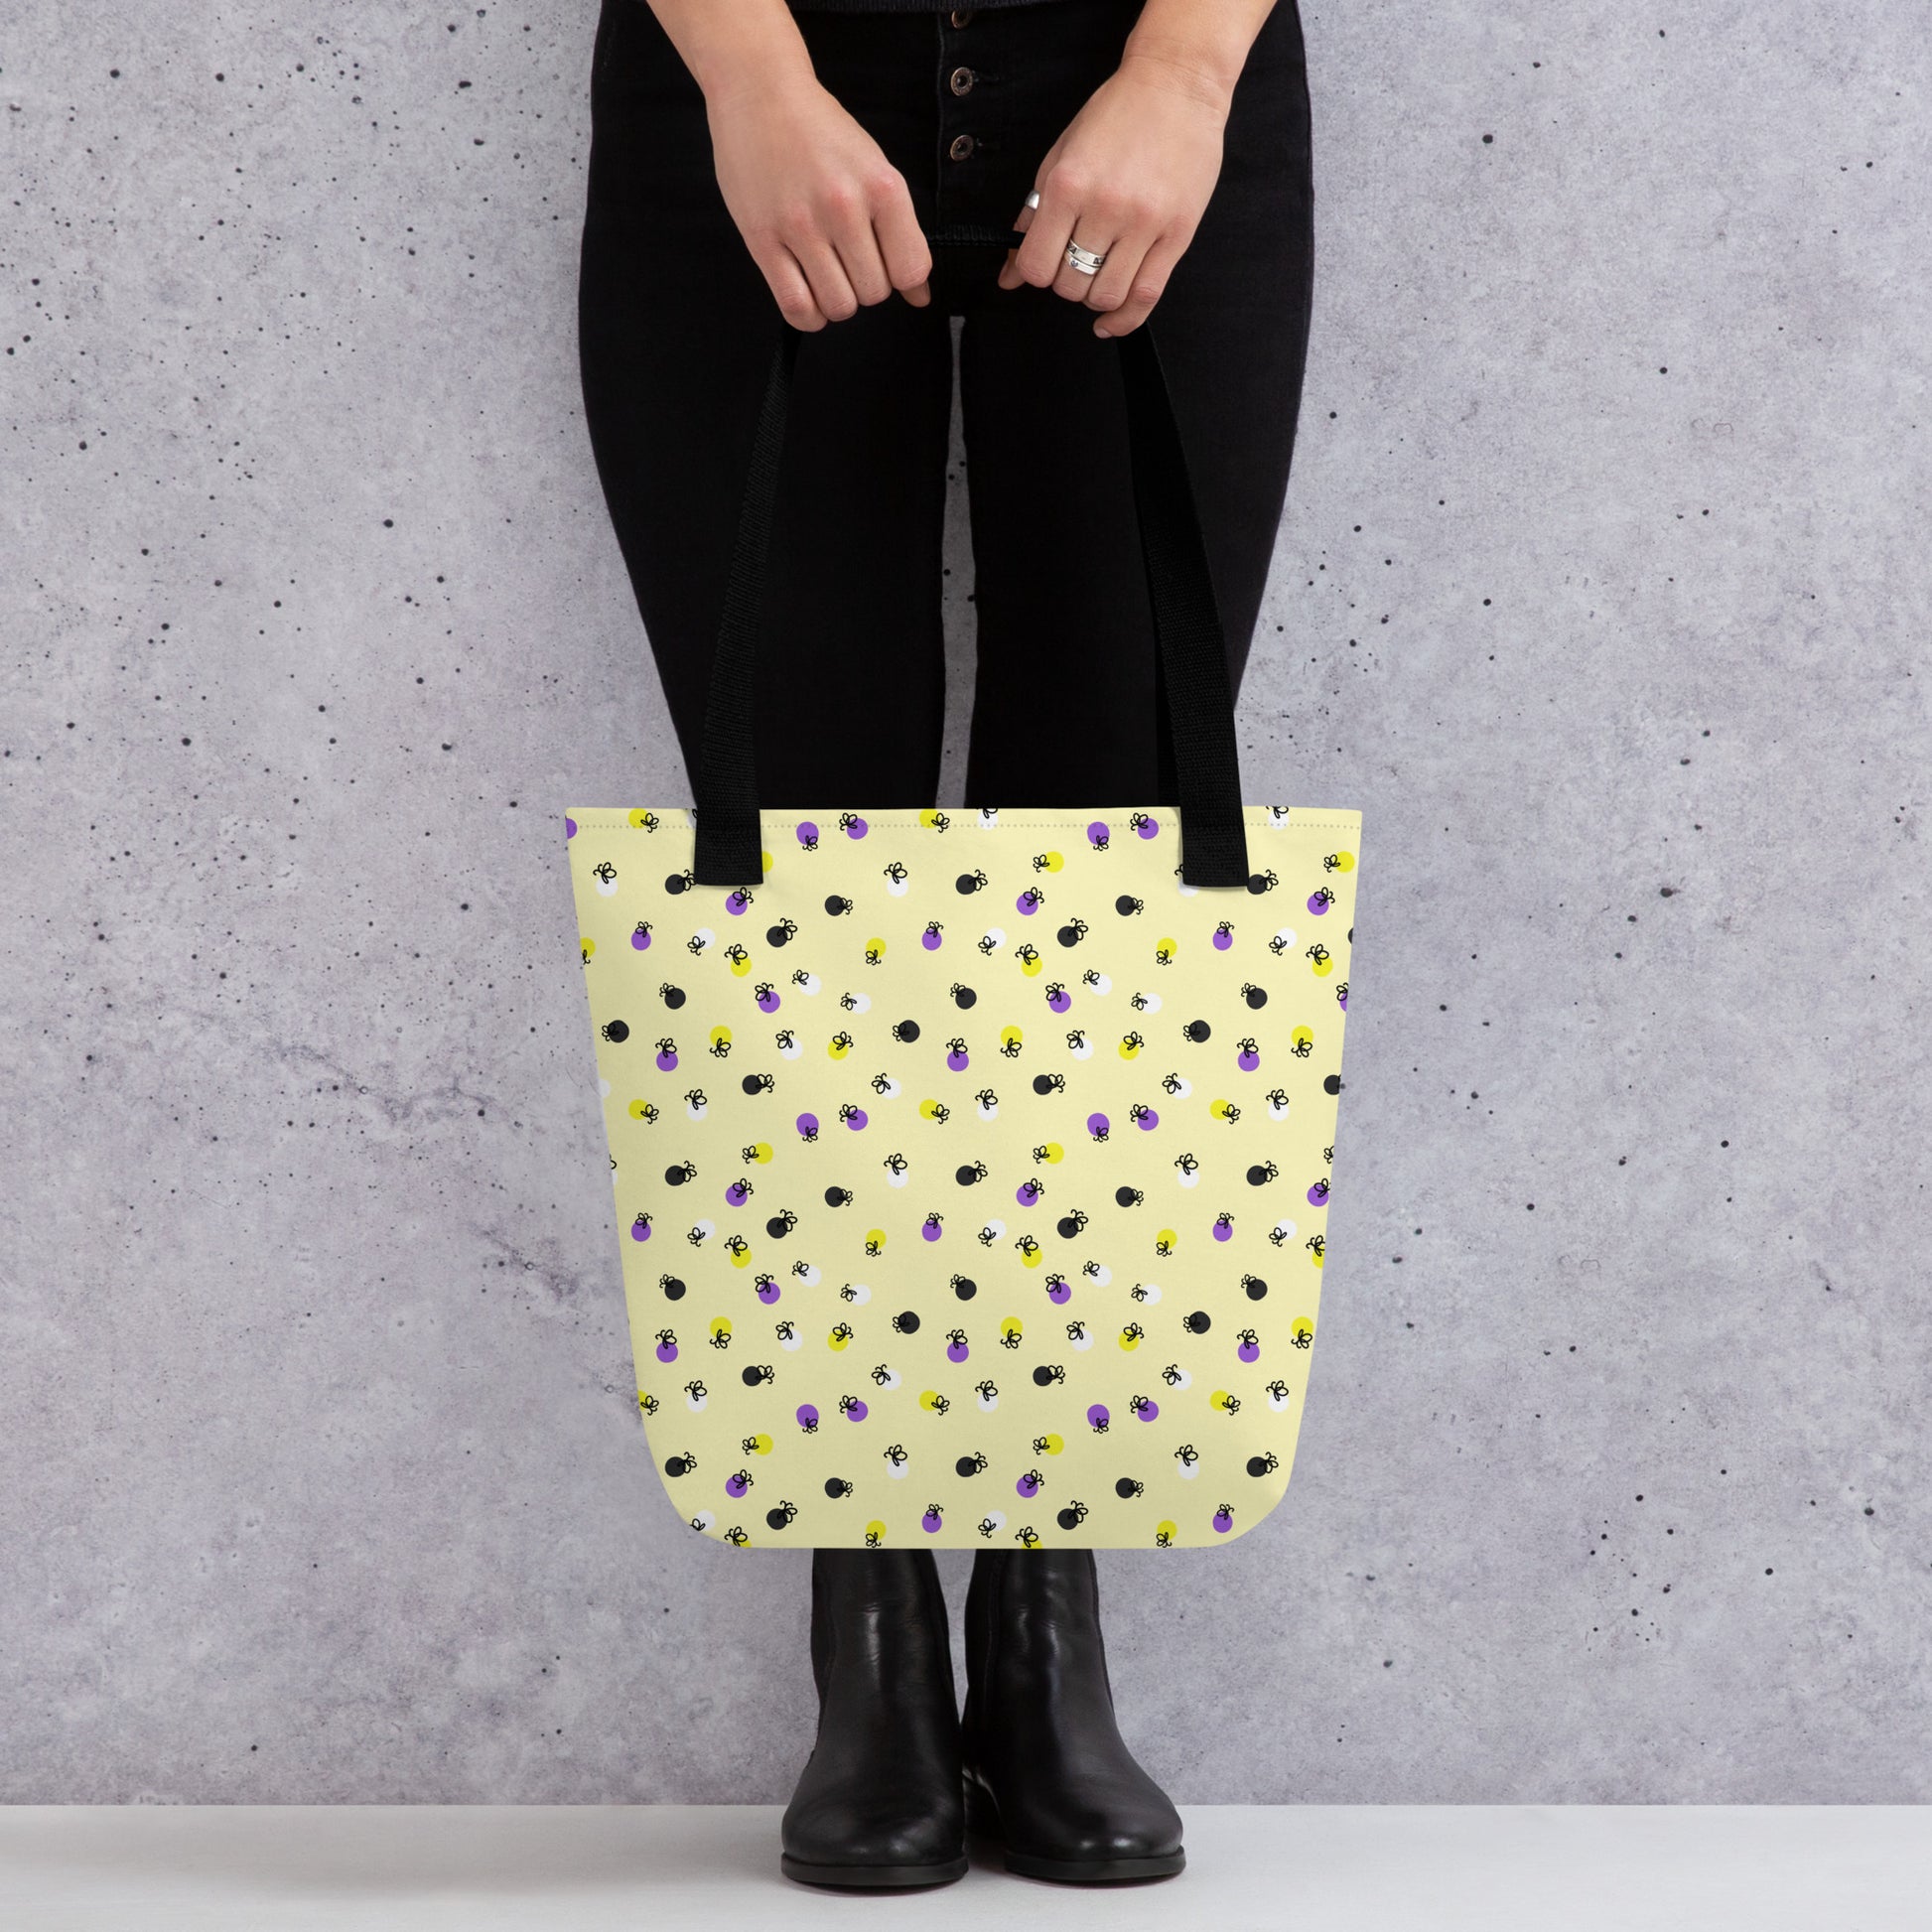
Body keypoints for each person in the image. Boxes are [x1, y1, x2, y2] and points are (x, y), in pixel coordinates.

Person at [576, 0, 1313, 1890]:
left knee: (1117, 873)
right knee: (800, 889)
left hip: (1145, 65)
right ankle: (874, 1625)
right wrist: (751, 79)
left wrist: (1186, 74)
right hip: (759, 70)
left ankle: (1043, 1613)